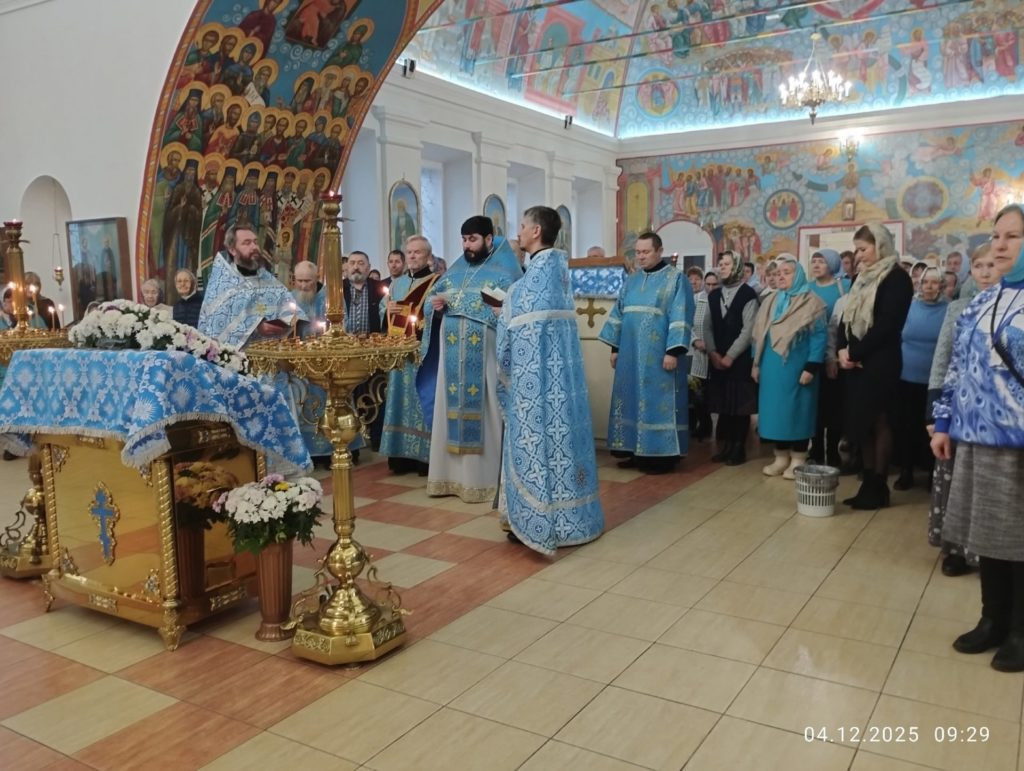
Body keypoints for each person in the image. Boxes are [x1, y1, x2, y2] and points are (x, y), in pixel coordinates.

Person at [932, 203, 1024, 672]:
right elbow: (956, 367)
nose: (1001, 245)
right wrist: (943, 422)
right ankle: (993, 618)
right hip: (975, 436)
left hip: (1018, 441)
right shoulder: (981, 302)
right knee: (987, 532)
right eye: (997, 235)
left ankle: (1021, 630)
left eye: (1013, 236)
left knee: (1019, 535)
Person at [497, 205, 604, 554]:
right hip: (562, 387)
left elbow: (512, 334)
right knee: (564, 448)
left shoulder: (529, 284)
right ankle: (573, 518)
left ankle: (538, 522)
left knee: (538, 445)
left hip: (537, 388)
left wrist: (501, 311)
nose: (518, 232)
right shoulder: (558, 275)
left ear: (536, 231)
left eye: (522, 225)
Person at [418, 216, 521, 502]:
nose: (467, 245)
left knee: (486, 410)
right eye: (464, 239)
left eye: (473, 239)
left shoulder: (505, 272)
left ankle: (484, 481)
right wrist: (436, 307)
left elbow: (510, 310)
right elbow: (431, 302)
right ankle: (448, 478)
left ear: (489, 239)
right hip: (452, 357)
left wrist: (463, 304)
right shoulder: (455, 271)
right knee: (448, 409)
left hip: (486, 358)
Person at [927, 243, 999, 577]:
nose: (985, 273)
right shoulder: (959, 308)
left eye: (991, 265)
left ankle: (989, 554)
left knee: (988, 483)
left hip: (997, 412)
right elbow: (944, 358)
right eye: (979, 266)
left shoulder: (1015, 306)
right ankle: (954, 548)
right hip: (958, 406)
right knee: (954, 478)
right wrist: (934, 410)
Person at [599, 231, 693, 473]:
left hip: (659, 356)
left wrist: (673, 351)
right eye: (638, 252)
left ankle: (660, 456)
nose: (640, 257)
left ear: (659, 251)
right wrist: (615, 348)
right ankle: (633, 450)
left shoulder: (675, 279)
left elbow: (681, 315)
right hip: (629, 355)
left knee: (656, 403)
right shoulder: (631, 280)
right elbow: (619, 314)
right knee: (629, 400)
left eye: (646, 252)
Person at [837, 223, 914, 509]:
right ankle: (867, 483)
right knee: (863, 423)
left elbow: (888, 324)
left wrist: (855, 351)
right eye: (856, 250)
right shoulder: (861, 278)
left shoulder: (897, 278)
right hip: (856, 362)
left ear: (880, 246)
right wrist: (842, 349)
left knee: (879, 420)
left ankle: (879, 486)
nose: (858, 255)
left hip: (881, 361)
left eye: (863, 249)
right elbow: (847, 317)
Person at [753, 255, 827, 478]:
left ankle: (798, 459)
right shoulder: (771, 300)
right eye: (778, 273)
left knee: (798, 413)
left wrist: (811, 367)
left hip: (798, 367)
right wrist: (755, 363)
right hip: (771, 367)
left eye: (787, 273)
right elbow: (758, 335)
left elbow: (819, 337)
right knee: (775, 414)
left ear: (799, 276)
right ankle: (780, 457)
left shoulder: (812, 302)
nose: (781, 277)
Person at [379, 235, 440, 475]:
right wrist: (388, 309)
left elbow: (440, 314)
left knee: (421, 401)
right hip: (399, 355)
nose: (413, 256)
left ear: (428, 256)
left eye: (418, 252)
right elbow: (384, 309)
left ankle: (424, 459)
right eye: (410, 252)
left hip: (422, 353)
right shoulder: (397, 284)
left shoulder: (437, 283)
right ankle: (400, 458)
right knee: (398, 402)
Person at [198, 223, 303, 348]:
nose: (254, 247)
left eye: (255, 242)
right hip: (235, 357)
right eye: (247, 243)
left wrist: (289, 322)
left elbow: (296, 315)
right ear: (232, 250)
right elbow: (216, 327)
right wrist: (257, 328)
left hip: (271, 355)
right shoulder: (221, 284)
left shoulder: (270, 281)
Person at [703, 250, 759, 466]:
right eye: (721, 264)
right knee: (724, 405)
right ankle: (725, 446)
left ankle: (738, 448)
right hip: (717, 359)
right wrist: (713, 352)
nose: (722, 267)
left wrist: (730, 356)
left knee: (739, 407)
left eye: (727, 264)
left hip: (739, 361)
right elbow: (707, 326)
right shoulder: (714, 295)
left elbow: (748, 330)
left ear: (736, 267)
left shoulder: (748, 294)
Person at [894, 267, 947, 491]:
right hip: (906, 377)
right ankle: (906, 471)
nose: (929, 287)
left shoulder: (949, 310)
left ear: (942, 286)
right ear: (920, 284)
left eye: (935, 283)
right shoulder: (909, 307)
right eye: (926, 282)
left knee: (931, 428)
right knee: (907, 426)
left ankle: (932, 474)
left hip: (935, 382)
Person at [808, 249, 846, 466]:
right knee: (814, 405)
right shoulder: (807, 288)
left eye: (821, 261)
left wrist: (833, 356)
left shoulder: (844, 287)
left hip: (834, 354)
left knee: (833, 406)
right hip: (812, 354)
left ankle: (833, 451)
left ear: (832, 264)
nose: (816, 265)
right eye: (813, 261)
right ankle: (816, 450)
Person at [342, 251, 386, 335]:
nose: (356, 267)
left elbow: (385, 318)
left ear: (368, 268)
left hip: (372, 341)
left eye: (360, 263)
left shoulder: (379, 288)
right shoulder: (339, 288)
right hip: (345, 341)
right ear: (347, 267)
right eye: (352, 263)